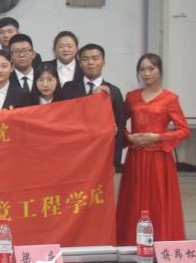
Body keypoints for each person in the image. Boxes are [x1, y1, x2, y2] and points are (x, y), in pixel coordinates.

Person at [115, 54, 191, 244]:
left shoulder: (170, 98)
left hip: (159, 160)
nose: (146, 73)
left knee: (158, 200)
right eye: (142, 69)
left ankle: (161, 242)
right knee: (133, 199)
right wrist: (129, 136)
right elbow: (118, 123)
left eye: (151, 69)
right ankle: (130, 243)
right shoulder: (132, 97)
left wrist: (158, 137)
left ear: (160, 70)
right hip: (135, 158)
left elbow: (184, 130)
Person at [57, 43, 126, 168]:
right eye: (85, 59)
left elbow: (120, 127)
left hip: (102, 155)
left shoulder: (113, 91)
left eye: (95, 58)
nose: (90, 62)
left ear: (103, 62)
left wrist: (115, 161)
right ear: (80, 63)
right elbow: (61, 119)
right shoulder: (68, 88)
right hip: (74, 154)